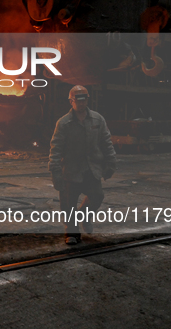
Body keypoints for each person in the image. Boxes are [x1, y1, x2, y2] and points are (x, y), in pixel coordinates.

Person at [48, 85, 117, 245]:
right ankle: (71, 233)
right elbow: (56, 148)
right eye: (77, 99)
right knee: (68, 204)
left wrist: (111, 163)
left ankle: (84, 217)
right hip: (71, 171)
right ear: (71, 101)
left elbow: (106, 142)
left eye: (84, 98)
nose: (81, 102)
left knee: (97, 196)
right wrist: (55, 172)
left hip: (91, 169)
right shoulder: (64, 123)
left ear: (87, 99)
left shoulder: (97, 120)